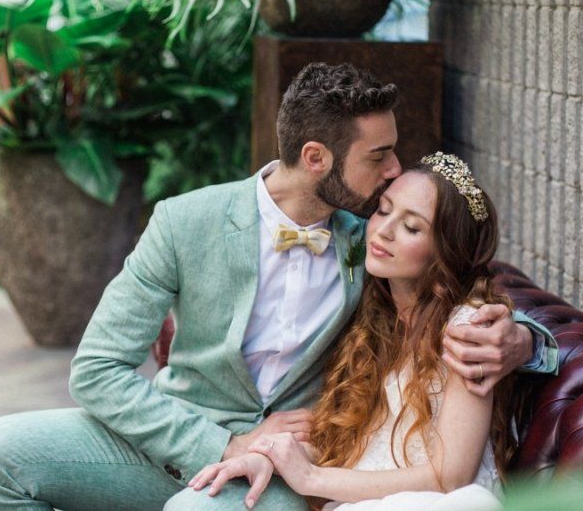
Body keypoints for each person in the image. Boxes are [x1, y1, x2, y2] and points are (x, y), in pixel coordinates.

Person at [0, 64, 557, 510]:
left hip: (286, 464)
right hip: (174, 434)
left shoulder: (367, 242)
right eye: (381, 156)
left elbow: (453, 296)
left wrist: (524, 343)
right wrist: (223, 439)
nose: (395, 169)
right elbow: (97, 370)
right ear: (317, 157)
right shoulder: (184, 221)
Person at [186, 154, 527, 510]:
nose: (384, 230)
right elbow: (355, 447)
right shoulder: (373, 317)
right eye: (382, 210)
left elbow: (451, 477)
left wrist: (312, 478)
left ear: (446, 251)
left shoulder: (467, 331)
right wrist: (270, 456)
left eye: (411, 227)